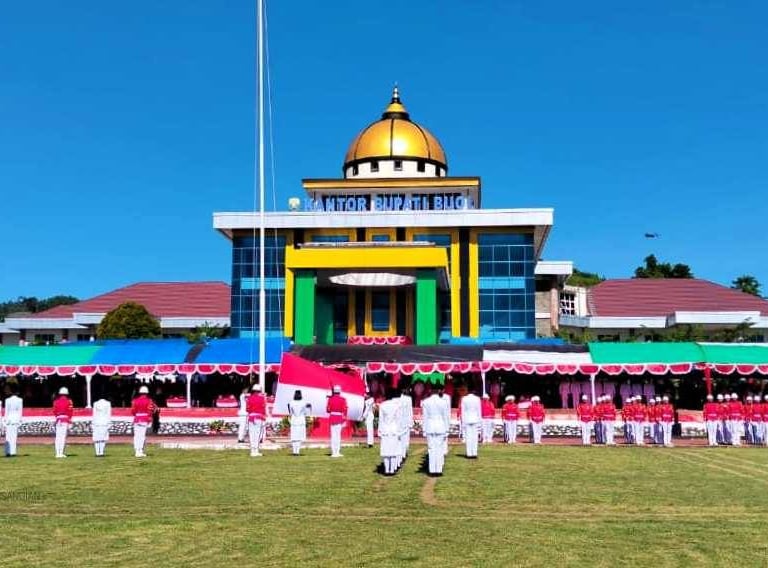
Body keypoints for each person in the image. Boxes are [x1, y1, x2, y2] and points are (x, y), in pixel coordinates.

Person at [421, 388, 449, 476]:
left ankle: (432, 470)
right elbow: (445, 417)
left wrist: (424, 429)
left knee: (431, 448)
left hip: (430, 425)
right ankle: (438, 470)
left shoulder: (426, 402)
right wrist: (447, 429)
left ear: (430, 391)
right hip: (440, 426)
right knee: (439, 448)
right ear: (439, 391)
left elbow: (425, 417)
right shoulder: (443, 402)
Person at [378, 397, 402, 475]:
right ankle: (392, 470)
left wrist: (380, 430)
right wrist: (399, 430)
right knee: (393, 450)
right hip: (394, 429)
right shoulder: (397, 405)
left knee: (386, 451)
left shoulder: (382, 405)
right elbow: (398, 420)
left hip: (385, 429)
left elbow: (381, 420)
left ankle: (387, 470)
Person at [131, 386, 155, 458]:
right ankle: (140, 451)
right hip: (144, 419)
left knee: (136, 436)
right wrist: (150, 419)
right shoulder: (149, 401)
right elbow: (150, 411)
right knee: (142, 436)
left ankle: (137, 451)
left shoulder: (135, 400)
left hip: (136, 419)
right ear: (147, 393)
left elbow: (133, 411)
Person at [287, 390, 311, 456]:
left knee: (294, 436)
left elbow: (290, 413)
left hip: (294, 420)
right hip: (301, 420)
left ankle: (294, 451)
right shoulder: (303, 402)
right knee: (299, 436)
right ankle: (297, 451)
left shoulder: (291, 402)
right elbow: (305, 412)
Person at [327, 385, 348, 458]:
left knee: (333, 436)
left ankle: (333, 452)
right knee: (338, 436)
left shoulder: (330, 399)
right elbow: (345, 409)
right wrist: (344, 419)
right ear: (340, 391)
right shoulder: (343, 399)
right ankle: (337, 452)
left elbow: (328, 410)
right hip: (339, 418)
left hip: (332, 417)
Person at [246, 384, 267, 457]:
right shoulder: (262, 398)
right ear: (259, 391)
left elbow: (247, 409)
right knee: (257, 435)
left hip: (251, 417)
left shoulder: (249, 398)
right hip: (259, 417)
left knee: (252, 434)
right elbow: (263, 409)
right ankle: (256, 451)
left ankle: (252, 451)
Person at [460, 389, 482, 458]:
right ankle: (474, 453)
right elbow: (479, 411)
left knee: (468, 437)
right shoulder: (477, 399)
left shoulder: (464, 399)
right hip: (475, 418)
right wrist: (480, 421)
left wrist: (463, 422)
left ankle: (469, 453)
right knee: (475, 437)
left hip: (467, 418)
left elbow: (463, 411)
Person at [53, 387, 73, 458]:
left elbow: (54, 411)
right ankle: (61, 453)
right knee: (63, 437)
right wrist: (70, 421)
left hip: (58, 420)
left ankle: (57, 453)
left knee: (57, 437)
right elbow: (70, 412)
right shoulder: (69, 401)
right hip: (65, 420)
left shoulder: (56, 401)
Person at [3, 386, 23, 457]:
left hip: (9, 418)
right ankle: (13, 452)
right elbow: (20, 411)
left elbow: (6, 411)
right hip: (16, 419)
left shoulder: (7, 400)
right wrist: (20, 420)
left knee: (8, 436)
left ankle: (7, 451)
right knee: (14, 437)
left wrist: (5, 420)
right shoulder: (20, 400)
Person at [436, 384, 452, 456]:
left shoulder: (447, 397)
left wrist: (448, 419)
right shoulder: (435, 397)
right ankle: (438, 449)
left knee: (445, 434)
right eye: (439, 390)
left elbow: (448, 409)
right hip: (437, 418)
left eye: (441, 390)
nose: (440, 391)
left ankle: (444, 450)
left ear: (443, 390)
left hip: (445, 418)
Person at [399, 388, 414, 459]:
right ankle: (404, 453)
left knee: (400, 438)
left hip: (400, 421)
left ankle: (402, 453)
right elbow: (410, 411)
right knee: (405, 438)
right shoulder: (408, 399)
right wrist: (411, 422)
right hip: (405, 421)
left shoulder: (398, 399)